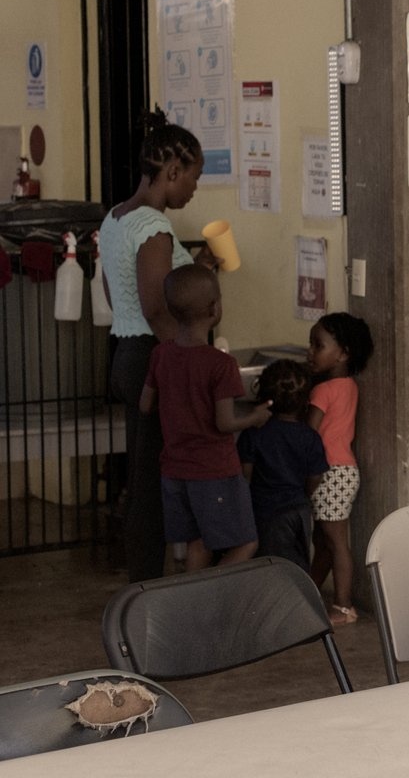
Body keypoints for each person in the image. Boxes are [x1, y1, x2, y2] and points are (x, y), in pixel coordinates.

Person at [98, 106, 216, 581]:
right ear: (171, 171)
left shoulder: (115, 219)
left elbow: (115, 293)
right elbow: (157, 306)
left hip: (127, 354)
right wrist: (188, 365)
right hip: (154, 355)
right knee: (152, 482)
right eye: (193, 177)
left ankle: (145, 579)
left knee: (144, 474)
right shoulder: (154, 226)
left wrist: (199, 269)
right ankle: (146, 584)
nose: (194, 188)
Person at [139, 265, 271, 573]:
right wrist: (254, 417)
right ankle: (206, 593)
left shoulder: (161, 354)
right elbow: (224, 424)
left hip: (173, 470)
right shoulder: (221, 364)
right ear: (215, 308)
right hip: (214, 471)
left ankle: (180, 604)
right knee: (246, 543)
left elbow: (145, 405)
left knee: (190, 542)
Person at [305, 311, 374, 625]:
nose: (310, 352)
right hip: (344, 470)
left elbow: (308, 435)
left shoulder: (322, 391)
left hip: (329, 471)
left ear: (343, 353)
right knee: (325, 542)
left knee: (334, 542)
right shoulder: (349, 386)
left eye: (318, 345)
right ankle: (308, 592)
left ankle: (344, 607)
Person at [238, 359, 329, 572]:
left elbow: (245, 474)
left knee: (267, 565)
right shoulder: (310, 437)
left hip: (263, 510)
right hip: (298, 508)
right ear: (305, 400)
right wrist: (304, 493)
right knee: (296, 563)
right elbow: (315, 476)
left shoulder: (253, 433)